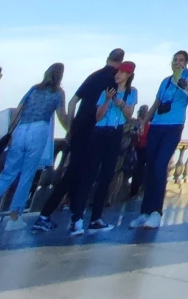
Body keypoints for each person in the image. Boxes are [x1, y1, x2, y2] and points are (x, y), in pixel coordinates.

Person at [34, 47, 125, 233]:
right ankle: (49, 215)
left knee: (74, 173)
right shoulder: (113, 80)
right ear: (120, 62)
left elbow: (72, 102)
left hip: (79, 129)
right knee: (79, 175)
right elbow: (108, 109)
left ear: (108, 58)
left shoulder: (93, 76)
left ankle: (70, 216)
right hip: (95, 131)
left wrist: (71, 127)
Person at [130, 51, 188, 230]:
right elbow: (155, 103)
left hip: (173, 126)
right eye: (175, 60)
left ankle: (156, 212)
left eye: (181, 60)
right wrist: (144, 122)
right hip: (156, 126)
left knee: (160, 165)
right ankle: (144, 212)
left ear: (186, 63)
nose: (177, 62)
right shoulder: (166, 81)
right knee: (150, 167)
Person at [0, 64, 68, 226]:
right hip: (39, 130)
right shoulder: (58, 93)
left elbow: (18, 111)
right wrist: (71, 130)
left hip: (21, 129)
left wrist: (10, 133)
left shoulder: (34, 89)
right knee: (27, 175)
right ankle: (15, 216)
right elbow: (61, 115)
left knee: (8, 173)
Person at [79, 61, 138, 233]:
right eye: (117, 72)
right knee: (90, 174)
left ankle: (96, 218)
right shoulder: (107, 90)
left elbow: (128, 116)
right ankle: (77, 217)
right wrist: (106, 100)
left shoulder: (131, 93)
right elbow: (98, 116)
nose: (118, 74)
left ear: (129, 75)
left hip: (115, 132)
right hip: (99, 132)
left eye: (122, 72)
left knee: (106, 176)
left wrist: (121, 105)